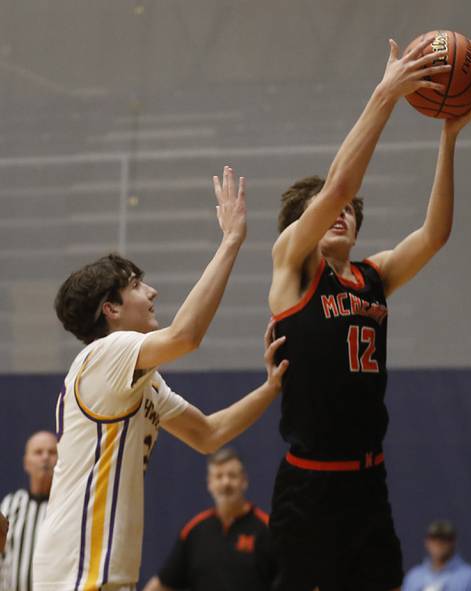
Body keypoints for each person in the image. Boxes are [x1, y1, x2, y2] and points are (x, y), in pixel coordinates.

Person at [267, 36, 471, 590]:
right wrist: (385, 94)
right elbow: (341, 181)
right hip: (309, 484)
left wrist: (449, 135)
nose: (340, 212)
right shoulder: (294, 266)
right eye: (326, 212)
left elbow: (435, 235)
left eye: (348, 211)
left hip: (368, 482)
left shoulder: (375, 275)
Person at [32, 167, 289, 591]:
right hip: (77, 573)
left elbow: (208, 433)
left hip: (100, 573)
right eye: (136, 285)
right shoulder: (104, 355)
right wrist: (231, 241)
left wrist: (271, 387)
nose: (151, 293)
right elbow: (186, 336)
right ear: (110, 309)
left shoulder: (138, 379)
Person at [142, 447, 274, 591]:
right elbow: (163, 583)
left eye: (232, 475)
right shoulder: (195, 531)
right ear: (209, 483)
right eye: (219, 476)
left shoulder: (267, 529)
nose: (225, 483)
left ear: (244, 480)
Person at [0, 431, 57, 591]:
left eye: (52, 452)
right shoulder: (11, 505)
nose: (45, 457)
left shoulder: (68, 506)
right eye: (38, 452)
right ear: (26, 463)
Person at [401, 520, 471, 591]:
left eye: (444, 539)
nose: (439, 543)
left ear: (453, 542)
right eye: (434, 538)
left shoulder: (470, 576)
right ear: (427, 542)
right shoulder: (414, 576)